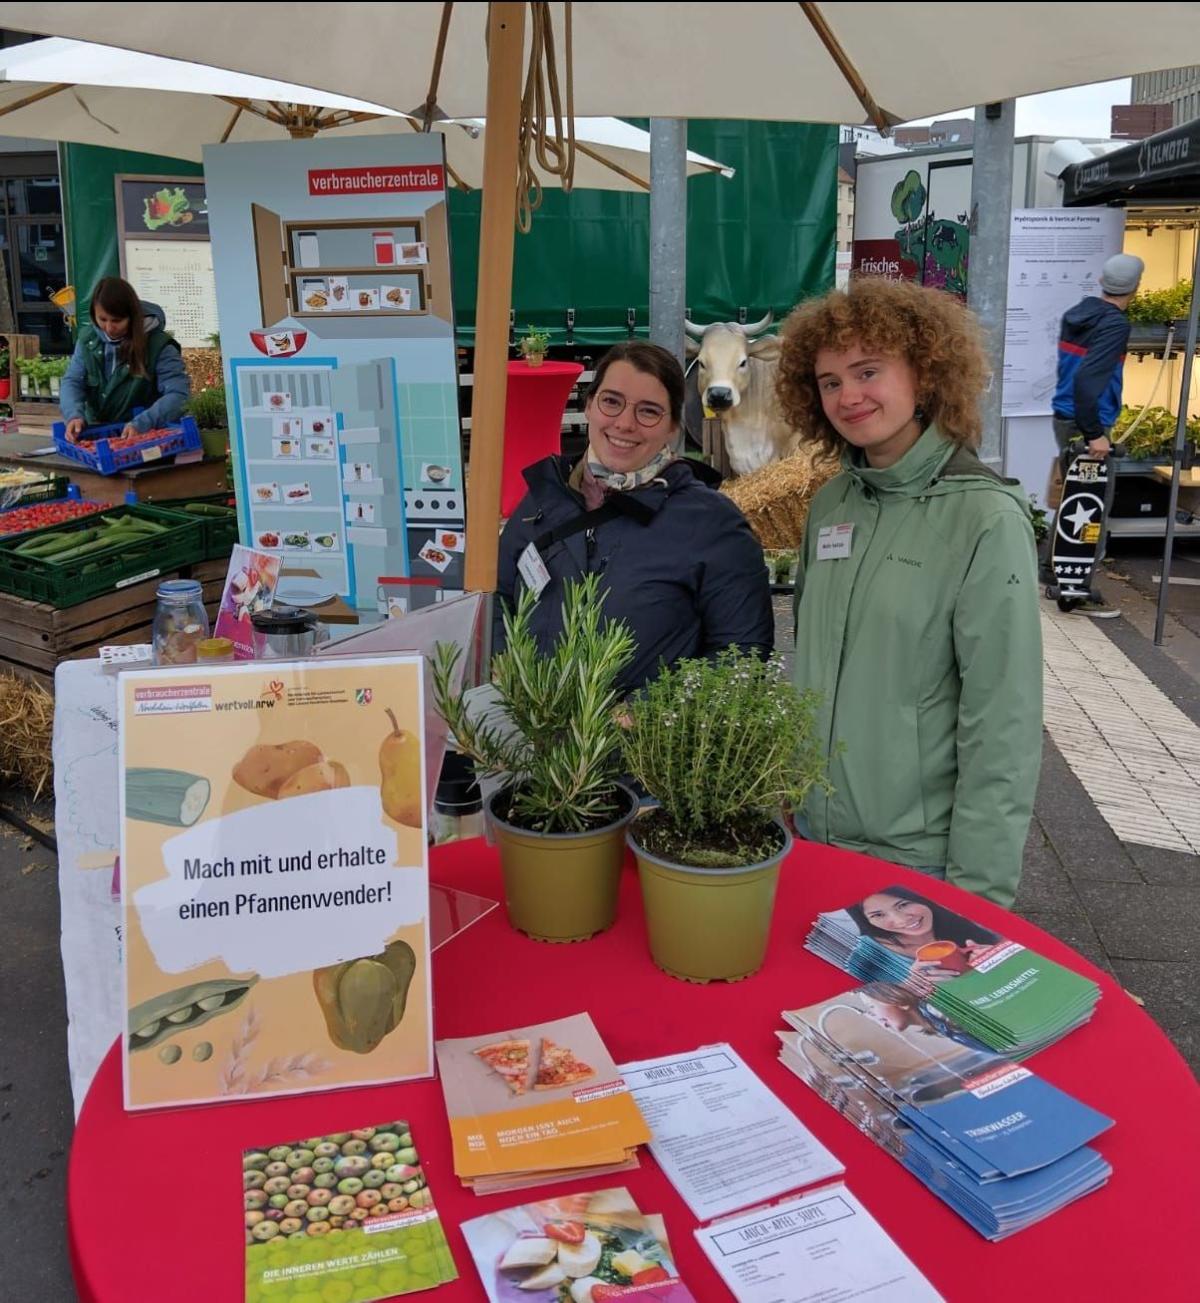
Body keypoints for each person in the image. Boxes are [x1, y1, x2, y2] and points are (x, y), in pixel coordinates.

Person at [777, 277, 1042, 908]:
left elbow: (1002, 724)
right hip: (812, 836)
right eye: (830, 381)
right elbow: (813, 667)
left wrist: (977, 896)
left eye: (868, 372)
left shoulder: (985, 518)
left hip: (914, 862)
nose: (848, 396)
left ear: (924, 374)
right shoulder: (833, 502)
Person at [495, 340, 773, 694]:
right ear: (589, 406)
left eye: (649, 411)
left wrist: (645, 713)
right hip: (532, 741)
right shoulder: (543, 500)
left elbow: (743, 654)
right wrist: (505, 675)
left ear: (673, 426)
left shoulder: (713, 524)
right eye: (611, 402)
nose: (625, 423)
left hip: (641, 746)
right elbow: (497, 599)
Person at [1049, 252, 1145, 618]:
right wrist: (1095, 434)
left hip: (1065, 416)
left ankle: (1054, 573)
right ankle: (1076, 591)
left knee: (1073, 499)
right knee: (1091, 507)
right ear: (1135, 287)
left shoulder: (1078, 313)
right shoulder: (1114, 325)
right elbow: (1088, 381)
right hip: (1086, 422)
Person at [59, 276, 190, 442]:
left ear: (132, 316)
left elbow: (179, 394)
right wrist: (74, 415)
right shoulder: (87, 340)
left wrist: (143, 423)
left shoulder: (160, 346)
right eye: (102, 319)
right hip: (97, 436)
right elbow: (72, 381)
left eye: (117, 321)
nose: (109, 328)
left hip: (148, 439)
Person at [845, 887, 1003, 983]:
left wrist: (998, 957)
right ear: (865, 920)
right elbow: (868, 1002)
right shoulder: (864, 956)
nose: (900, 920)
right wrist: (912, 987)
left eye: (904, 904)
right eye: (878, 915)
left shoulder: (961, 916)